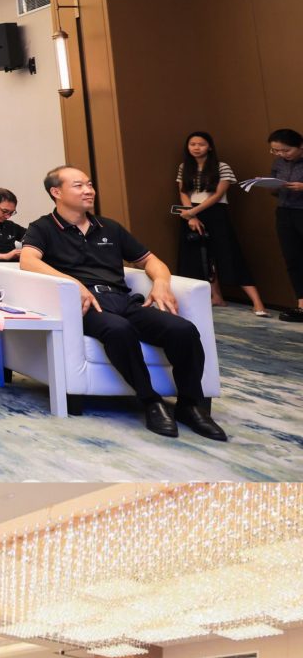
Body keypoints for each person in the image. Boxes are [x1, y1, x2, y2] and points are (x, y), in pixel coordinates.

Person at [21, 166, 225, 440]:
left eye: (90, 184)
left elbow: (150, 260)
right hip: (85, 304)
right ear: (56, 192)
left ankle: (190, 405)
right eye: (79, 185)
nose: (89, 190)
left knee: (183, 330)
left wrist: (161, 282)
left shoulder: (109, 227)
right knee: (119, 330)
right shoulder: (43, 228)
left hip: (123, 299)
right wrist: (73, 283)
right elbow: (28, 261)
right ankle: (150, 401)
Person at [174, 132, 265, 313]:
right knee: (201, 256)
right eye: (192, 144)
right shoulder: (184, 167)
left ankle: (258, 303)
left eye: (201, 144)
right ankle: (217, 297)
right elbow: (183, 192)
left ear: (209, 147)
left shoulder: (221, 166)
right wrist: (191, 216)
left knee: (229, 254)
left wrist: (193, 212)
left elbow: (217, 195)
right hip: (190, 214)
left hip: (215, 212)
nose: (196, 148)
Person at [267, 127, 303, 321]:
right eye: (276, 151)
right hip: (284, 213)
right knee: (293, 258)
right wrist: (272, 185)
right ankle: (302, 305)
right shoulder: (278, 163)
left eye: (286, 150)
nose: (281, 154)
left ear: (300, 146)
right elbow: (275, 191)